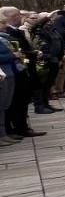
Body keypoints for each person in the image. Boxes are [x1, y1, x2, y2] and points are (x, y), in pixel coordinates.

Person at [0, 9, 43, 139]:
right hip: (9, 71)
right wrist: (14, 55)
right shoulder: (7, 33)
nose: (20, 17)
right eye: (15, 15)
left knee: (22, 99)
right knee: (11, 102)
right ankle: (12, 129)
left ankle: (21, 127)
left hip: (20, 67)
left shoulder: (13, 31)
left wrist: (29, 54)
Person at [28, 10, 64, 116]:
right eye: (48, 20)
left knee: (49, 83)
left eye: (51, 20)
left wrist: (62, 55)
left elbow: (59, 42)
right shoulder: (38, 31)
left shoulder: (53, 30)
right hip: (44, 60)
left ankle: (46, 103)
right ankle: (39, 105)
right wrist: (47, 16)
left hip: (55, 59)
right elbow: (35, 28)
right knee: (41, 84)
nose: (50, 21)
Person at [0, 28, 22, 145]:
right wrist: (13, 55)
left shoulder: (3, 38)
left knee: (4, 106)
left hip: (9, 72)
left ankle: (4, 134)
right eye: (2, 22)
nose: (5, 25)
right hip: (3, 74)